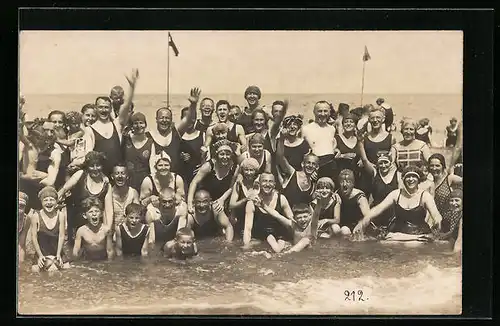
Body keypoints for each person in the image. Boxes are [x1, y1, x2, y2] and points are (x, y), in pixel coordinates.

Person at [353, 166, 443, 243]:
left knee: (411, 244)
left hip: (418, 234)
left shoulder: (425, 196)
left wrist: (437, 222)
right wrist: (362, 222)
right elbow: (378, 209)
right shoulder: (396, 194)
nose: (411, 179)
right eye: (408, 177)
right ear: (403, 179)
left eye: (413, 176)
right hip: (398, 233)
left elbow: (436, 215)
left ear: (418, 179)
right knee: (385, 243)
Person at [83, 69, 138, 176]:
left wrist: (132, 87)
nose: (104, 110)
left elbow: (126, 106)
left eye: (106, 107)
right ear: (95, 108)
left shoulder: (117, 124)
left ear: (110, 108)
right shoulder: (89, 130)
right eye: (101, 107)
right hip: (99, 175)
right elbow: (89, 155)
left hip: (118, 175)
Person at [57, 151, 113, 244]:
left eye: (98, 165)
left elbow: (109, 210)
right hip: (76, 222)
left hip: (95, 224)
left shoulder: (107, 184)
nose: (95, 169)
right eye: (92, 166)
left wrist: (108, 230)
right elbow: (62, 190)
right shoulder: (81, 174)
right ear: (87, 166)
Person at [147, 88, 201, 174]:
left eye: (167, 118)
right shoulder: (148, 136)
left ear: (171, 120)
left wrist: (193, 104)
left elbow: (188, 119)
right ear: (156, 119)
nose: (164, 120)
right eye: (161, 118)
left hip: (176, 180)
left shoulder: (176, 133)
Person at [187, 140, 237, 230]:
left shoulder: (234, 168)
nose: (225, 157)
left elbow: (233, 186)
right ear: (217, 154)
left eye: (228, 154)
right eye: (222, 154)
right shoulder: (209, 166)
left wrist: (222, 200)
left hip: (223, 202)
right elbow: (194, 182)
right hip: (205, 202)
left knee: (228, 227)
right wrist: (190, 202)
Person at [242, 173, 294, 251]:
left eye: (270, 181)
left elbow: (292, 224)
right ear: (259, 184)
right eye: (264, 181)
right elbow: (247, 229)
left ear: (274, 184)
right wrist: (246, 246)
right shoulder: (252, 203)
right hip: (260, 238)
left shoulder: (281, 199)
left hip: (279, 236)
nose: (267, 184)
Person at [19, 120, 63, 211]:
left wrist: (24, 176)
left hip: (41, 195)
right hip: (23, 191)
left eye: (52, 131)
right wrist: (44, 175)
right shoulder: (25, 147)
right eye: (46, 131)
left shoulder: (55, 152)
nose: (50, 134)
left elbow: (50, 181)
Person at [30, 186, 69, 272]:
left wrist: (58, 254)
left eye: (52, 199)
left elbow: (62, 236)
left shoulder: (60, 215)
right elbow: (34, 238)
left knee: (67, 269)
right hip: (42, 252)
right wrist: (40, 256)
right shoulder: (35, 216)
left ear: (56, 202)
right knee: (35, 271)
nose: (49, 202)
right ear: (41, 202)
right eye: (45, 200)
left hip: (57, 251)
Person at [276, 130, 319, 206]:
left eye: (313, 164)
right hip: (286, 214)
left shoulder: (313, 185)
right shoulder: (292, 173)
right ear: (302, 164)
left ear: (316, 167)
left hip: (301, 216)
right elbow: (280, 157)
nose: (310, 165)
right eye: (308, 162)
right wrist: (282, 138)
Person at [301, 101, 338, 181]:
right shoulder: (306, 129)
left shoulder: (332, 129)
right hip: (314, 169)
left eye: (325, 111)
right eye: (320, 111)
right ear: (314, 112)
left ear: (329, 112)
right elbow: (300, 152)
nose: (323, 114)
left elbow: (330, 146)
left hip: (331, 167)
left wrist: (336, 150)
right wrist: (307, 170)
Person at [122, 112, 154, 191]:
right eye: (135, 123)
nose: (139, 126)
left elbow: (153, 165)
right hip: (128, 180)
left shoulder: (150, 143)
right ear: (132, 126)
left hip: (145, 181)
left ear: (145, 125)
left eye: (141, 123)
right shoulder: (126, 140)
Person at [179, 107, 206, 193]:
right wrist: (180, 156)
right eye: (186, 118)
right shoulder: (177, 136)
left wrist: (203, 166)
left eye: (192, 118)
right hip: (181, 177)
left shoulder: (203, 135)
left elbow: (207, 155)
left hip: (198, 178)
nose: (190, 121)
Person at [337, 169, 371, 236]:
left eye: (348, 182)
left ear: (353, 184)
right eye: (342, 182)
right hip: (343, 225)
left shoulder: (360, 197)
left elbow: (368, 216)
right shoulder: (337, 194)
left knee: (344, 230)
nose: (344, 184)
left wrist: (360, 225)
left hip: (357, 225)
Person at [111, 164, 140, 235]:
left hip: (130, 231)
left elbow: (138, 213)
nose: (120, 176)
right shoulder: (108, 194)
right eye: (117, 173)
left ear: (127, 177)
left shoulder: (133, 192)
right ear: (112, 176)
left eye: (123, 173)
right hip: (113, 232)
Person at [334, 113, 360, 183]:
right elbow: (331, 156)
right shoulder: (336, 138)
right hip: (340, 176)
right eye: (346, 122)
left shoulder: (359, 140)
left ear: (355, 125)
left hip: (356, 176)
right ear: (342, 125)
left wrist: (361, 160)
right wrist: (343, 155)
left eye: (351, 122)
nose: (348, 124)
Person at [63, 111, 88, 176]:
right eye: (73, 123)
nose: (76, 125)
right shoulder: (68, 133)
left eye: (78, 123)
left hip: (79, 158)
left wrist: (56, 139)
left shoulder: (80, 132)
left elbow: (70, 143)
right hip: (72, 158)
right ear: (68, 124)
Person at [18, 192, 32, 264]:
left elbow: (21, 245)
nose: (18, 208)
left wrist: (21, 264)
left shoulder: (26, 220)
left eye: (21, 206)